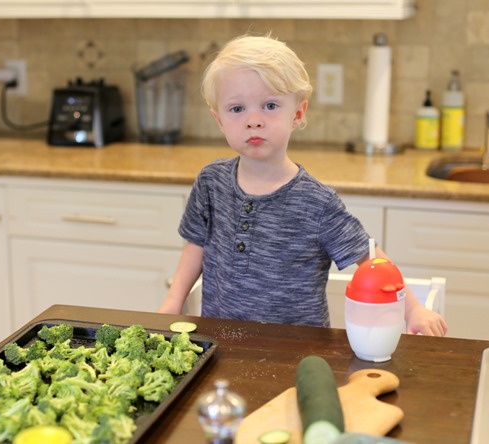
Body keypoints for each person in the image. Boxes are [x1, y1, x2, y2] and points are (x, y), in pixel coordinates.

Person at [158, 34, 447, 336]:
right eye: (237, 109)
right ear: (220, 121)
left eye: (270, 105)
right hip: (220, 345)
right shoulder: (210, 182)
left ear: (297, 114)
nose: (253, 120)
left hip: (297, 352)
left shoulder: (317, 202)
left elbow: (370, 258)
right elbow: (196, 245)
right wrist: (173, 302)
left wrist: (413, 309)